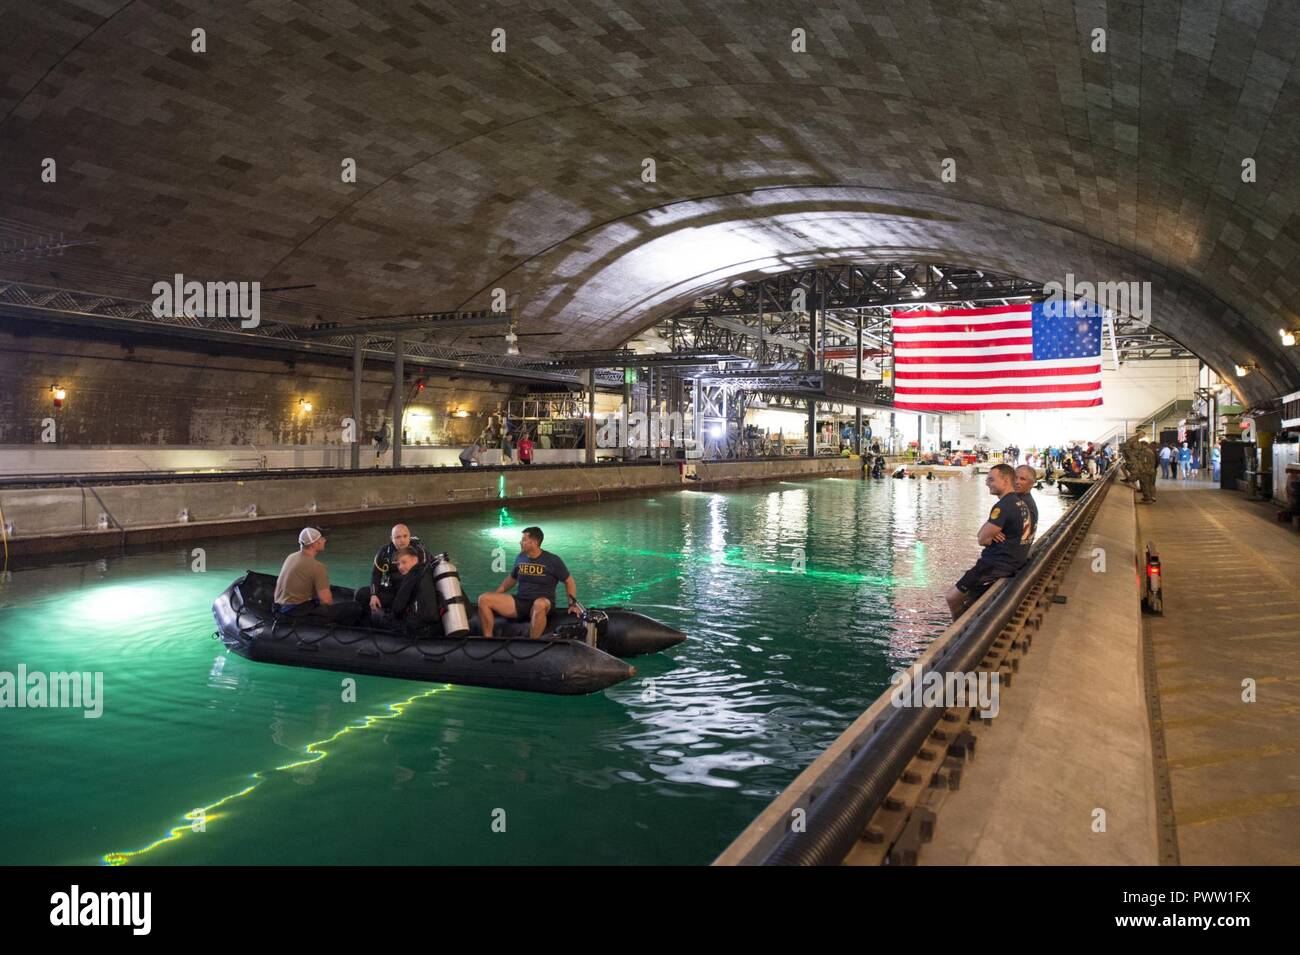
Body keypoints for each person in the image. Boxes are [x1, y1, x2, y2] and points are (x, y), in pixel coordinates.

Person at [944, 465, 1032, 620]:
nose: (987, 483)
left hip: (995, 566)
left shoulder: (1003, 506)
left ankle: (959, 629)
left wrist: (988, 535)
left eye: (991, 479)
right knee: (971, 598)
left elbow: (982, 539)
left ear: (1005, 480)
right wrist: (990, 533)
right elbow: (987, 534)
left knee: (952, 597)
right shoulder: (1021, 503)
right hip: (1014, 562)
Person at [477, 526, 580, 639]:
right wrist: (498, 593)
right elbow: (512, 579)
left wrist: (572, 604)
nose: (520, 542)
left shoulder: (552, 560)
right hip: (521, 602)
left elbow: (569, 581)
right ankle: (488, 640)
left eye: (524, 540)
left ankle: (533, 643)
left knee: (539, 604)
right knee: (484, 599)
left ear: (534, 542)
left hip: (544, 603)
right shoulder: (520, 557)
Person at [273, 527, 363, 625]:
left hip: (280, 609)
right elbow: (326, 601)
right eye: (321, 539)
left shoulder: (291, 557)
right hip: (295, 614)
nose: (324, 540)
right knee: (354, 608)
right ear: (314, 544)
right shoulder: (317, 567)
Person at [357, 524, 432, 618]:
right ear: (391, 539)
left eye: (405, 536)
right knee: (360, 593)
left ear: (409, 536)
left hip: (414, 593)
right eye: (397, 537)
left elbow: (426, 572)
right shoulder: (384, 553)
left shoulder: (420, 550)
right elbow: (376, 575)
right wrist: (374, 594)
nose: (402, 540)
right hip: (392, 591)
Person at [387, 546, 445, 636]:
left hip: (420, 630)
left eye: (404, 562)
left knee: (380, 617)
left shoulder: (412, 575)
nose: (401, 567)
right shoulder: (428, 570)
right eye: (398, 564)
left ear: (415, 560)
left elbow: (398, 608)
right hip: (438, 627)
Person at [1014, 465, 1039, 558]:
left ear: (1032, 483)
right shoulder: (1025, 501)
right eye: (1015, 478)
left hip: (1011, 559)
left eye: (1022, 479)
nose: (1017, 482)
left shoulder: (1020, 504)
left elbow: (985, 539)